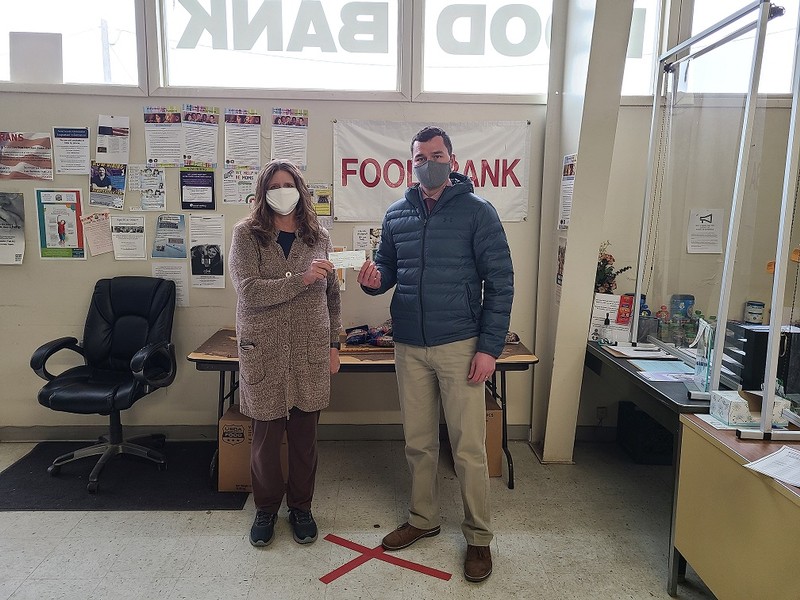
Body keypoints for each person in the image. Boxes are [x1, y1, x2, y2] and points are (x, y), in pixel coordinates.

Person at [357, 126, 513, 583]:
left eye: (437, 154)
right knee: (419, 442)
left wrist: (489, 348)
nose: (429, 162)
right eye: (420, 157)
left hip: (460, 345)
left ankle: (479, 537)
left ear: (453, 158)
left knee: (467, 448)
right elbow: (388, 269)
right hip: (408, 344)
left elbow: (501, 283)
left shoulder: (478, 212)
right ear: (411, 163)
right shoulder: (396, 213)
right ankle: (423, 518)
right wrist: (373, 278)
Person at [228, 159, 342, 548]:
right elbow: (249, 291)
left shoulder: (318, 235)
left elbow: (332, 297)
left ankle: (301, 507)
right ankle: (265, 509)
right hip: (265, 348)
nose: (282, 191)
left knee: (305, 438)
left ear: (300, 189)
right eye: (274, 185)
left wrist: (333, 346)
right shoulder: (247, 235)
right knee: (265, 438)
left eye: (288, 184)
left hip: (309, 347)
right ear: (263, 193)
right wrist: (300, 279)